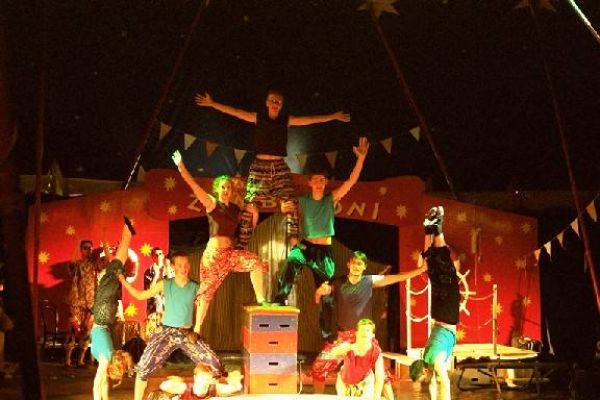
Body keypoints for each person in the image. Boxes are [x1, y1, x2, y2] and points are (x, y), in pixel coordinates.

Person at [194, 90, 351, 248]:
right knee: (250, 205)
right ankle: (242, 245)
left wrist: (333, 116)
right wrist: (212, 103)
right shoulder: (258, 118)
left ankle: (293, 241)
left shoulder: (285, 120)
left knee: (290, 202)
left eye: (278, 102)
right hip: (260, 166)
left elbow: (309, 120)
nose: (275, 104)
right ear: (267, 103)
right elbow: (236, 112)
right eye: (273, 101)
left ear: (281, 105)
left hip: (279, 166)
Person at [273, 137, 369, 341]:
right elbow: (285, 207)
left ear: (326, 183)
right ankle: (281, 298)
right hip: (306, 246)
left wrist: (360, 159)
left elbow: (351, 182)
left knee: (326, 295)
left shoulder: (330, 199)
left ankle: (327, 338)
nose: (319, 183)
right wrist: (283, 208)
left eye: (323, 180)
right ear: (309, 182)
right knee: (292, 259)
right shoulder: (303, 200)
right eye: (316, 179)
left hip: (324, 252)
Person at [172, 149, 269, 331]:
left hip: (230, 254)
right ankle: (197, 329)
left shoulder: (234, 209)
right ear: (217, 189)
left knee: (256, 263)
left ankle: (261, 299)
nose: (226, 190)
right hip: (213, 256)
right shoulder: (212, 203)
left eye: (228, 187)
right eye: (223, 187)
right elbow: (194, 186)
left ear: (232, 191)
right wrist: (181, 167)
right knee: (206, 294)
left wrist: (254, 212)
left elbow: (249, 225)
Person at [310, 250, 426, 394]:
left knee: (382, 374)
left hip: (364, 337)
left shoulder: (368, 281)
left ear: (364, 266)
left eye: (360, 264)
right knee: (319, 367)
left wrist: (420, 270)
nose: (356, 266)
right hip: (344, 337)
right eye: (354, 263)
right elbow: (322, 292)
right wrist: (319, 292)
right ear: (348, 264)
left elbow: (395, 277)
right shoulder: (338, 283)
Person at [119, 250, 224, 400]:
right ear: (173, 266)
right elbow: (140, 295)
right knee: (143, 368)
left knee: (214, 364)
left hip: (186, 333)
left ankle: (206, 395)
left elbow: (203, 304)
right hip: (165, 332)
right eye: (179, 265)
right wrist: (123, 281)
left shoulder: (195, 287)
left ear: (190, 266)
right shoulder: (165, 284)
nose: (183, 268)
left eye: (186, 265)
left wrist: (197, 328)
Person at [409, 206, 460, 400]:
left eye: (421, 379)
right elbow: (431, 382)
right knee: (433, 270)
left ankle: (437, 229)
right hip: (438, 314)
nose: (424, 382)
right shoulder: (426, 358)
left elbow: (444, 383)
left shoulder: (435, 362)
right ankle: (429, 229)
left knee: (446, 271)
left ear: (423, 371)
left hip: (446, 316)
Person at [90, 218, 135, 400]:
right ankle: (127, 231)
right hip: (102, 313)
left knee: (116, 265)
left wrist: (103, 239)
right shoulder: (105, 358)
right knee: (117, 265)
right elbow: (98, 385)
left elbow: (100, 384)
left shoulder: (108, 357)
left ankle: (128, 231)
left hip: (104, 313)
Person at [66, 239, 101, 367]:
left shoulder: (96, 264)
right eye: (85, 248)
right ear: (81, 250)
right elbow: (71, 270)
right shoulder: (77, 264)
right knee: (72, 330)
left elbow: (106, 262)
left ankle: (80, 360)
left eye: (90, 248)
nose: (88, 250)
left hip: (91, 303)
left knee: (87, 331)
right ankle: (67, 360)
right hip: (77, 302)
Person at [329, 319, 385, 399]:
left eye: (368, 330)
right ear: (357, 333)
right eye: (362, 330)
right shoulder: (348, 345)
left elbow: (379, 376)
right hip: (345, 382)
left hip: (365, 383)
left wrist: (377, 395)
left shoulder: (376, 351)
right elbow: (333, 353)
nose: (364, 332)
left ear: (373, 335)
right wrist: (348, 348)